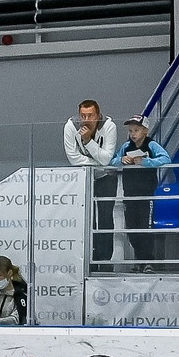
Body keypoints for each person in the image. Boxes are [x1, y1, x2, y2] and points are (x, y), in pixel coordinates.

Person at [109, 114, 172, 264]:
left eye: (136, 130)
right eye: (130, 131)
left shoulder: (152, 145)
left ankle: (148, 261)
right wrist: (121, 160)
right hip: (129, 193)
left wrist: (145, 162)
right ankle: (139, 260)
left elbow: (166, 158)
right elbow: (113, 160)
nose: (133, 134)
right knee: (132, 228)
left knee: (145, 227)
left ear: (145, 131)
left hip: (146, 194)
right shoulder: (126, 146)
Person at [65, 99, 118, 260]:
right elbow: (73, 158)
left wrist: (88, 141)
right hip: (83, 177)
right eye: (83, 116)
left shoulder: (109, 126)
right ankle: (88, 259)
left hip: (106, 177)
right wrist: (98, 162)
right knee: (85, 217)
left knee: (105, 217)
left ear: (98, 115)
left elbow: (107, 159)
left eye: (90, 116)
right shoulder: (70, 127)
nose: (86, 120)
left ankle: (105, 260)